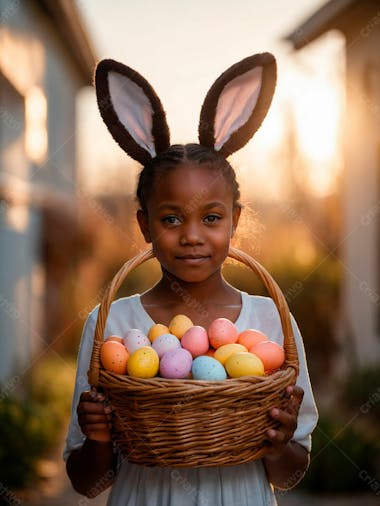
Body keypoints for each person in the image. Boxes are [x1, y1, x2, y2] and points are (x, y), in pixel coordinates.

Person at [64, 53, 318, 505]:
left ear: (235, 221)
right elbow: (87, 483)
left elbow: (291, 472)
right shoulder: (112, 327)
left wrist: (279, 443)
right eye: (172, 218)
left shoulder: (270, 320)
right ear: (144, 226)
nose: (193, 236)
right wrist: (99, 438)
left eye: (212, 217)